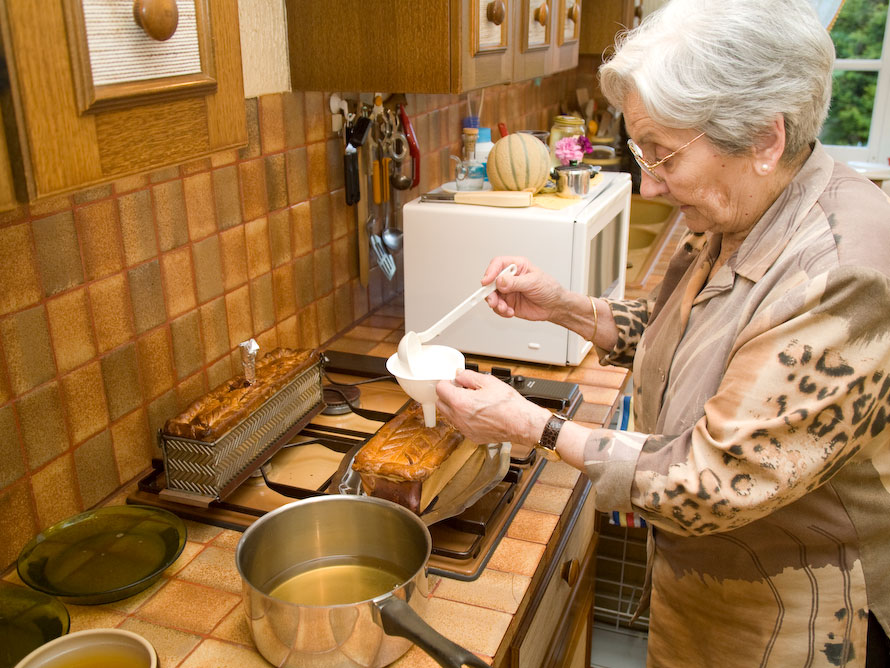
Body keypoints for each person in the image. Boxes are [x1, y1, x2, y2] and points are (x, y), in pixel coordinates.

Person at [434, 0, 890, 665]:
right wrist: (563, 306)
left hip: (798, 624)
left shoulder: (840, 275)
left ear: (765, 139)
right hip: (717, 586)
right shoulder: (752, 207)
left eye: (664, 156)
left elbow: (711, 481)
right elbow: (685, 325)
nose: (648, 185)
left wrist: (533, 426)